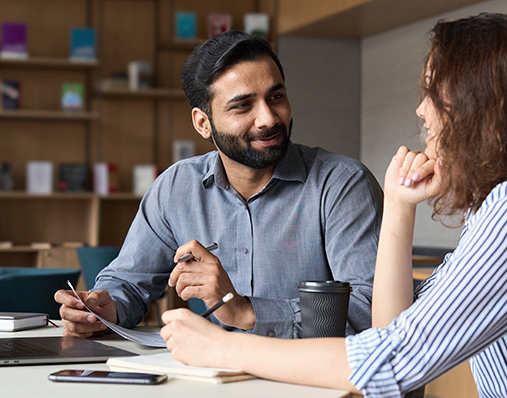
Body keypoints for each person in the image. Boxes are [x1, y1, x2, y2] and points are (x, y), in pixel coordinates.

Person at [158, 13, 507, 397]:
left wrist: (222, 345)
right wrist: (400, 208)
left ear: (482, 105)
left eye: (433, 91)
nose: (422, 111)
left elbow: (390, 362)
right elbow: (391, 330)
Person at [55, 31, 383, 339]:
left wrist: (247, 312)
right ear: (203, 123)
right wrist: (104, 307)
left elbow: (374, 310)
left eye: (276, 96)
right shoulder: (176, 187)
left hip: (320, 381)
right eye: (243, 106)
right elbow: (129, 280)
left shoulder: (342, 184)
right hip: (218, 377)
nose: (269, 118)